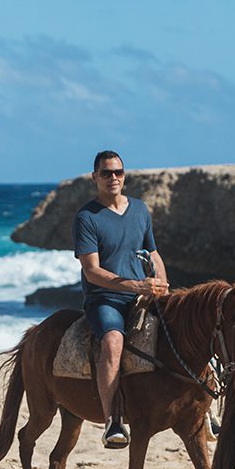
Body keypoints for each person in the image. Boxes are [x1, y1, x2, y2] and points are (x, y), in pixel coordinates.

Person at [73, 150, 169, 448]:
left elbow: (152, 252)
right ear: (95, 178)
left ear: (124, 176)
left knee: (188, 324)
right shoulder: (87, 217)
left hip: (141, 294)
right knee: (113, 341)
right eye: (106, 173)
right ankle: (112, 421)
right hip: (105, 299)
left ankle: (202, 411)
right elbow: (92, 271)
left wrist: (164, 285)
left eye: (117, 172)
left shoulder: (139, 209)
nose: (112, 178)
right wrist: (136, 285)